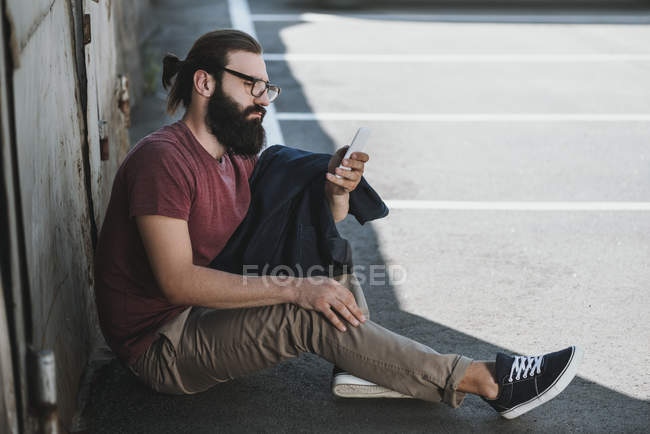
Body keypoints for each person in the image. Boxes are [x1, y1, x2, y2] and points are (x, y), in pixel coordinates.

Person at [93, 29, 582, 420]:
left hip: (196, 313)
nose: (263, 99)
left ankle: (367, 364)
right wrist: (297, 290)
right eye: (251, 85)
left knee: (318, 250)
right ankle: (485, 381)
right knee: (306, 309)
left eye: (268, 88)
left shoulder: (234, 153)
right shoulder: (163, 161)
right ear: (205, 83)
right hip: (161, 344)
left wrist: (335, 191)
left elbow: (316, 224)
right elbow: (176, 280)